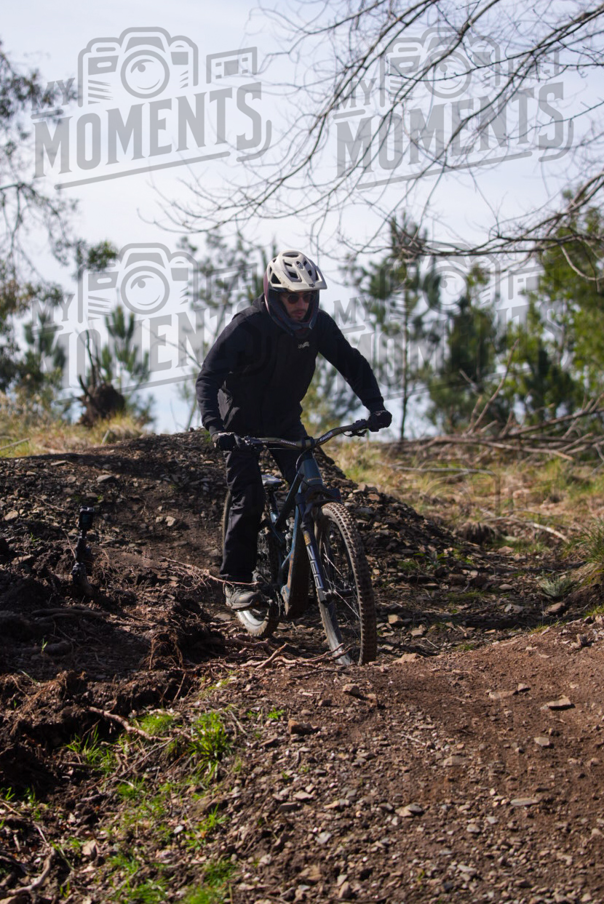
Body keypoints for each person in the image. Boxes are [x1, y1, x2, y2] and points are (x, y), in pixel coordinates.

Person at [196, 249, 392, 610]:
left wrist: (375, 406)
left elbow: (351, 362)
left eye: (308, 296)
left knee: (313, 487)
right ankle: (236, 582)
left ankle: (316, 572)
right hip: (239, 421)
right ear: (274, 295)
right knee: (249, 496)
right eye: (293, 297)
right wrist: (215, 428)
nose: (302, 304)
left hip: (284, 417)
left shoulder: (319, 325)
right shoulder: (247, 325)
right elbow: (208, 378)